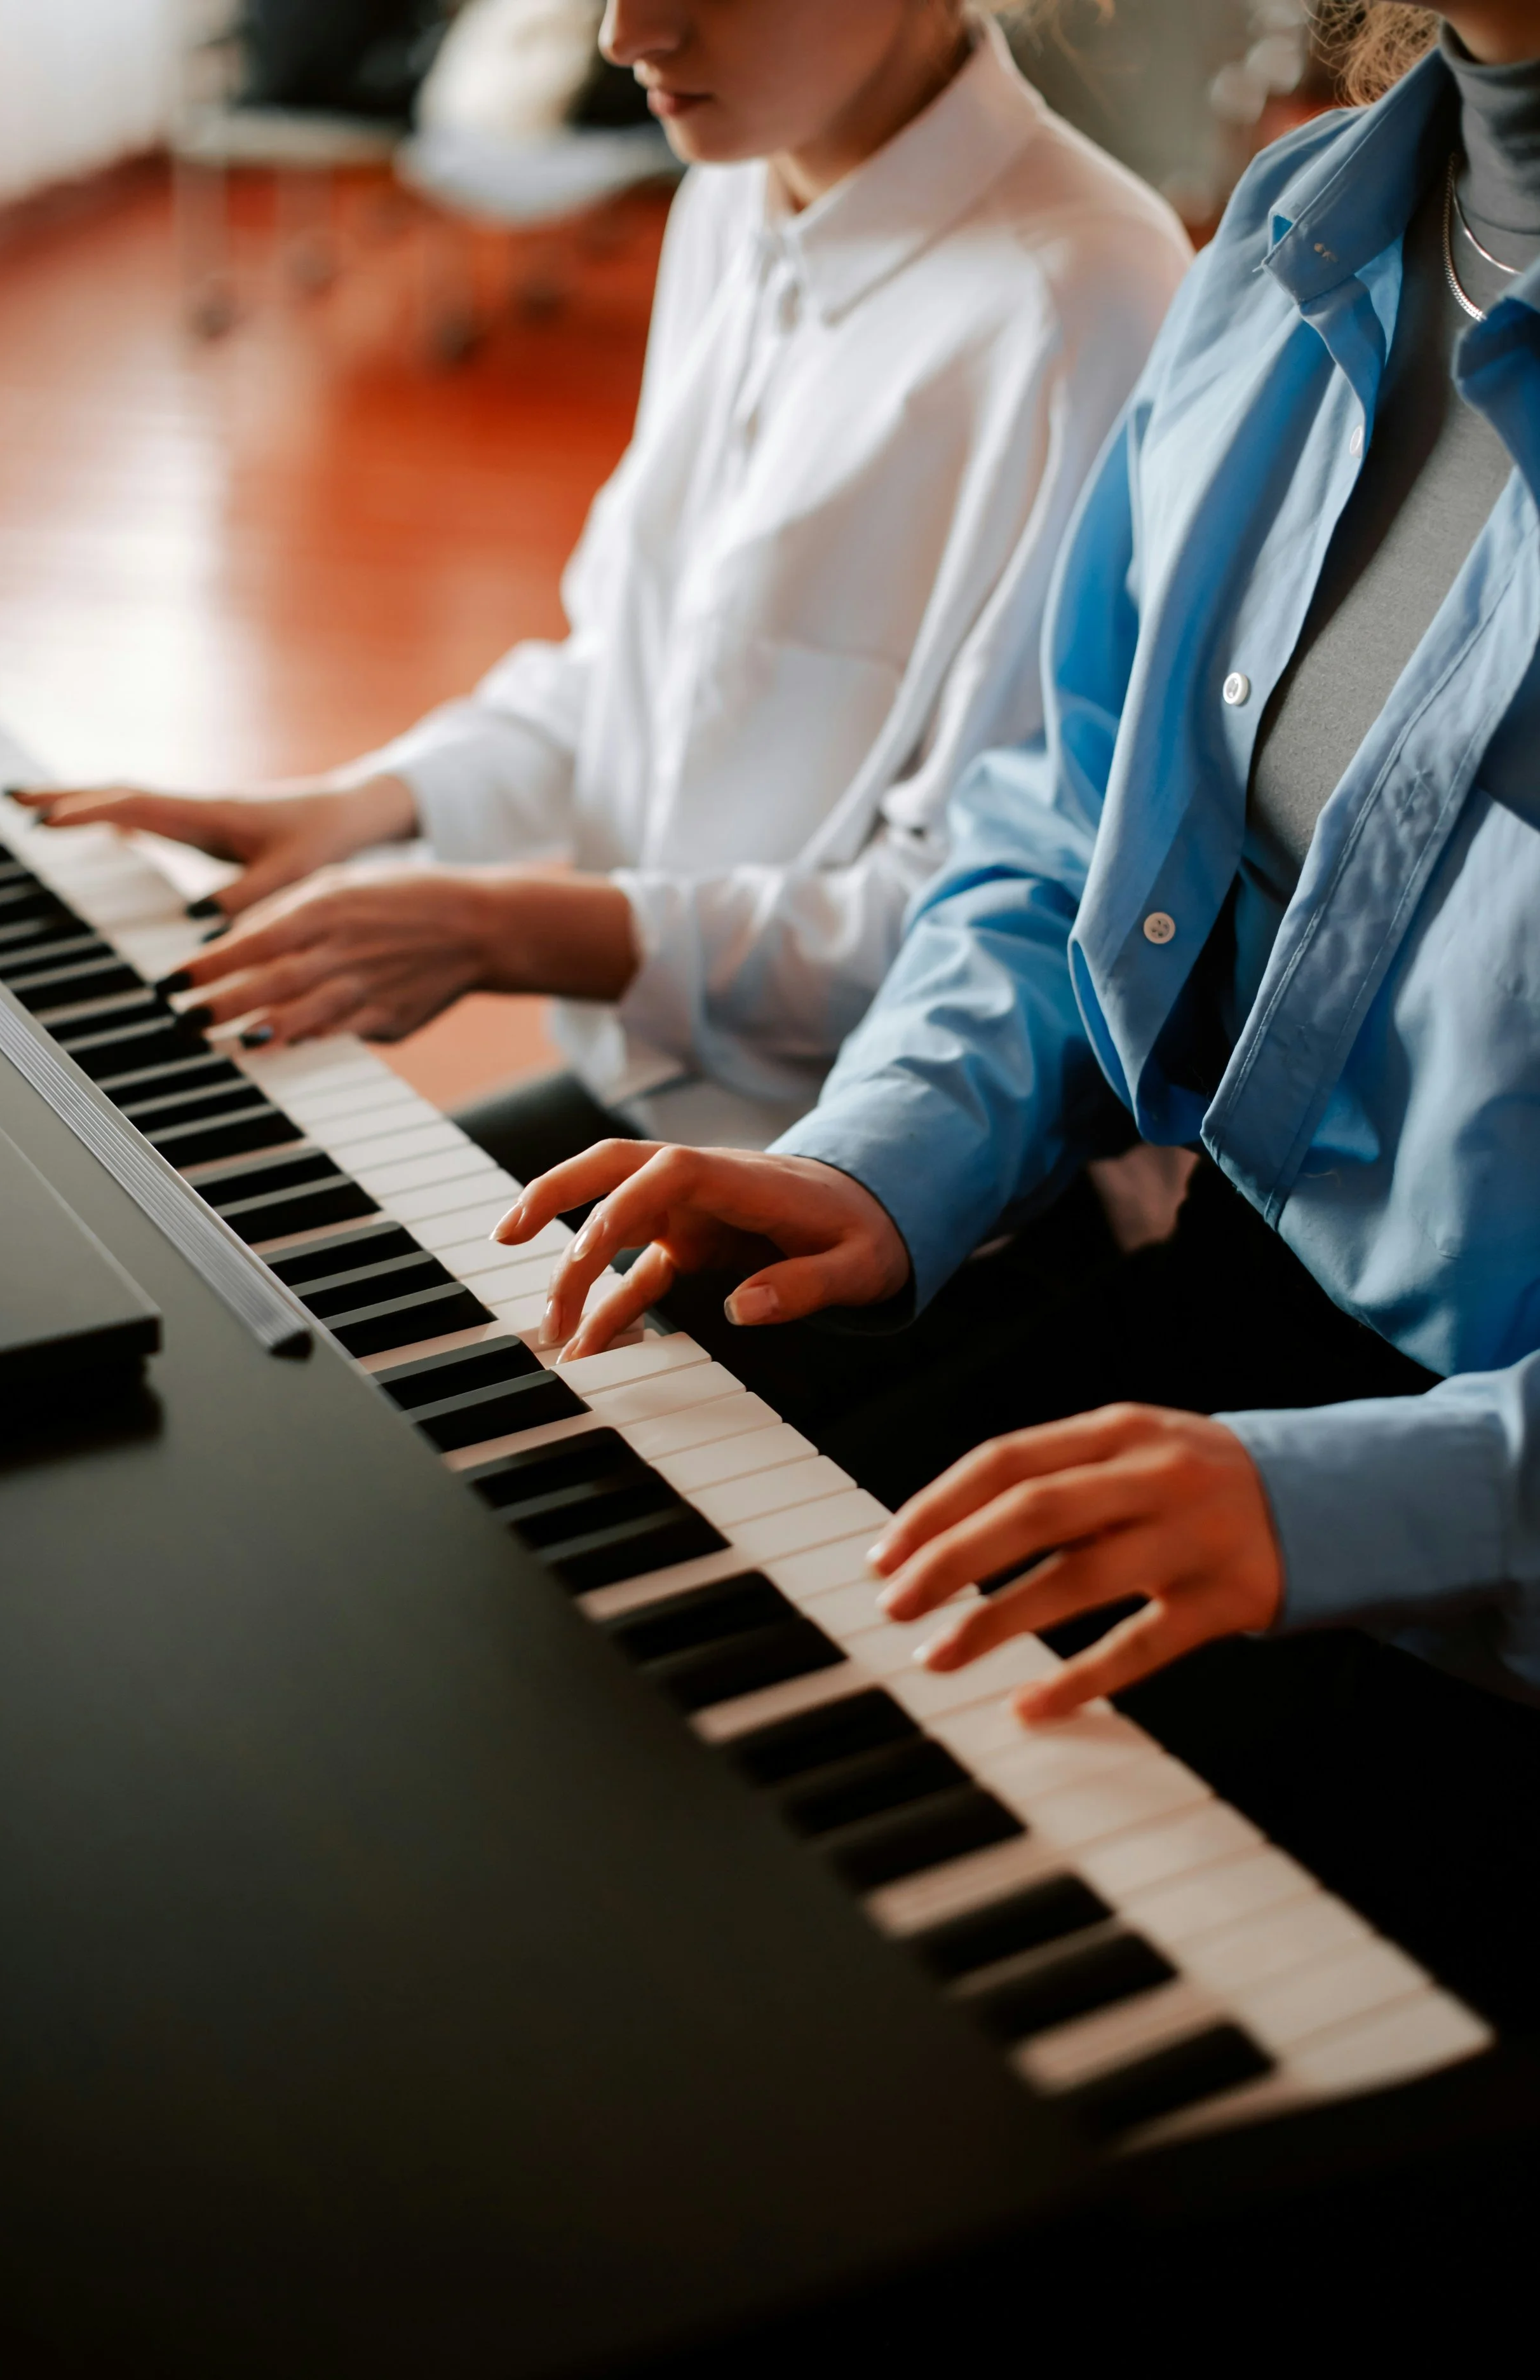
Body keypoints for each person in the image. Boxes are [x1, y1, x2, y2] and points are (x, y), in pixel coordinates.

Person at [492, 3, 1540, 2024]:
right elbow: (1072, 820)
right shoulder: (1300, 226)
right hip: (1210, 1372)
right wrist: (887, 1155)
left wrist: (1328, 1505)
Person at [18, 0, 1188, 1183]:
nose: (625, 36)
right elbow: (628, 671)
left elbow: (1000, 931)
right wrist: (364, 807)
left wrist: (501, 929)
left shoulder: (1088, 303)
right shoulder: (732, 195)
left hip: (894, 1174)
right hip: (664, 1086)